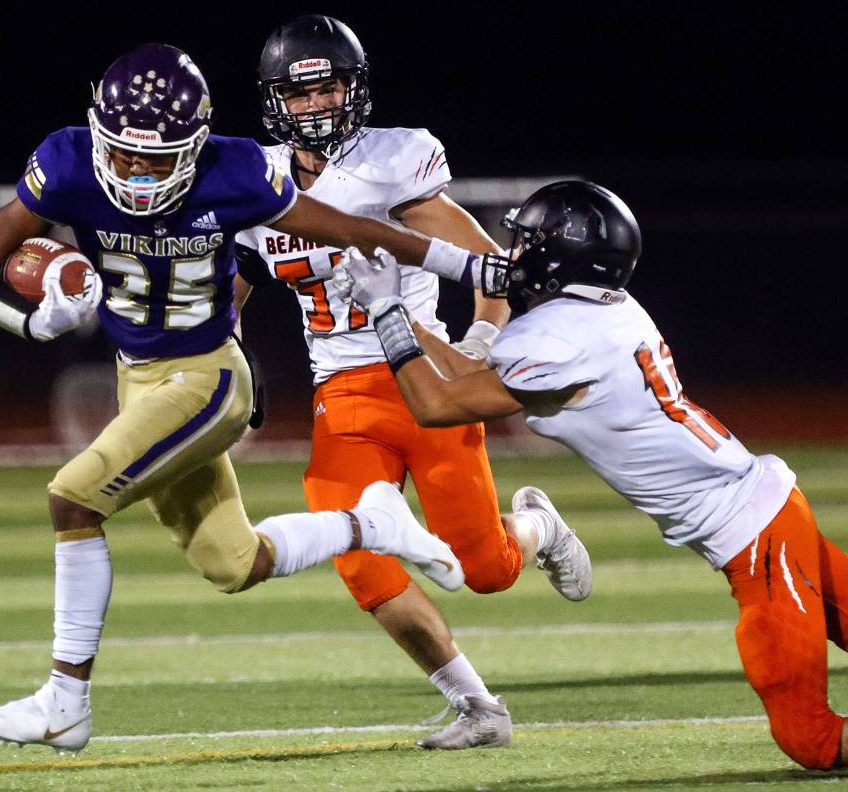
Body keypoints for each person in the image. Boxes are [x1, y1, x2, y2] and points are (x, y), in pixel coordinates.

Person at [0, 42, 494, 754]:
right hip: (136, 378)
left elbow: (357, 230)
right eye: (125, 154)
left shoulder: (233, 171)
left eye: (157, 158)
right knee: (234, 565)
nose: (137, 172)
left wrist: (484, 269)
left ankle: (64, 704)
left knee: (73, 498)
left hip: (207, 376)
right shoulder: (66, 162)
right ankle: (369, 524)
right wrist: (30, 320)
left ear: (195, 144)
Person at [334, 178, 848, 771]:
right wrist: (409, 318)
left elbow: (438, 405)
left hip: (756, 539)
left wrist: (386, 311)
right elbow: (470, 375)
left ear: (557, 258)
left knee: (808, 736)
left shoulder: (558, 337)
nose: (514, 254)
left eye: (528, 243)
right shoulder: (600, 309)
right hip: (766, 509)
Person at [234, 14, 592, 750]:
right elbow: (229, 290)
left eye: (329, 88)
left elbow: (492, 267)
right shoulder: (255, 181)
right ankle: (478, 707)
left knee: (485, 570)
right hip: (340, 393)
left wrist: (478, 343)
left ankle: (538, 527)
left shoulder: (392, 162)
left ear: (354, 89)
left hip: (421, 379)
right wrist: (227, 362)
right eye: (300, 94)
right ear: (275, 101)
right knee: (361, 565)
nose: (316, 106)